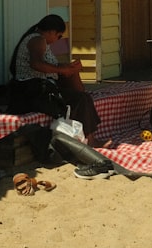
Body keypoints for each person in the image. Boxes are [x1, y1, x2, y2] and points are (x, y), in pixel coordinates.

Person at [9, 14, 111, 165]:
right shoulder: (37, 40)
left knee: (79, 96)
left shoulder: (37, 39)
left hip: (39, 89)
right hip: (34, 92)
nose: (58, 39)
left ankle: (83, 139)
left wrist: (66, 69)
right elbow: (36, 64)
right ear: (51, 32)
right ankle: (89, 140)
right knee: (81, 99)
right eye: (59, 36)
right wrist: (61, 70)